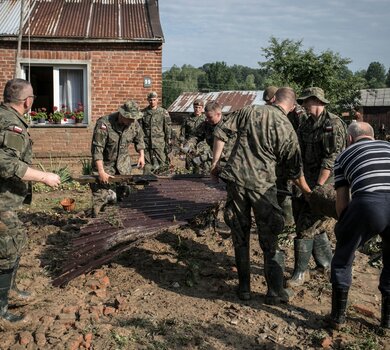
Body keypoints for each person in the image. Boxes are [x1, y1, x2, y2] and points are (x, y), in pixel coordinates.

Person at [211, 87, 312, 304]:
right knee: (270, 238)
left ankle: (244, 289)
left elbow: (220, 132)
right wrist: (307, 192)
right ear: (292, 107)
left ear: (273, 99)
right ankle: (275, 292)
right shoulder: (287, 128)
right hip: (263, 187)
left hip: (236, 182)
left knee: (240, 234)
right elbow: (295, 171)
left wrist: (215, 163)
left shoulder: (249, 111)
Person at [0, 78, 61, 323]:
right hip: (1, 203)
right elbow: (5, 164)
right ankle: (1, 311)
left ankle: (10, 291)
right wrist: (43, 176)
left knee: (15, 244)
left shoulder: (7, 118)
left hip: (7, 201)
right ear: (28, 101)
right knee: (6, 251)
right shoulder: (9, 124)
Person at [329, 122, 390, 330]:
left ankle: (338, 319)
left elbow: (342, 201)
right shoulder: (388, 147)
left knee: (342, 260)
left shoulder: (344, 155)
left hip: (368, 204)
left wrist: (344, 228)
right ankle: (387, 323)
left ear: (349, 139)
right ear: (373, 136)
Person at [288, 87, 347, 287]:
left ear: (317, 101)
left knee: (305, 226)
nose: (303, 105)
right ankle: (325, 264)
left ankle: (300, 273)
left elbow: (331, 159)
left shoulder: (333, 124)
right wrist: (300, 182)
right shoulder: (305, 124)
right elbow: (299, 153)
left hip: (325, 182)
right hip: (306, 181)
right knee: (313, 224)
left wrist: (317, 190)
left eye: (306, 101)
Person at [90, 100, 145, 217]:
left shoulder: (133, 123)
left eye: (134, 119)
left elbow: (139, 139)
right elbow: (97, 150)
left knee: (126, 197)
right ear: (122, 114)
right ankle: (95, 223)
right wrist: (101, 172)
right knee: (101, 197)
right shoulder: (104, 124)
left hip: (123, 166)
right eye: (130, 118)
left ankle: (121, 222)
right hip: (105, 165)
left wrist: (141, 155)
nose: (132, 121)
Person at [141, 91, 172, 174]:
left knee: (162, 164)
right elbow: (140, 129)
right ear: (148, 100)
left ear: (157, 100)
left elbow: (167, 128)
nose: (152, 102)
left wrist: (168, 140)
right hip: (147, 143)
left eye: (154, 100)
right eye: (150, 100)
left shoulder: (163, 112)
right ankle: (147, 182)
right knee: (147, 165)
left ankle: (164, 183)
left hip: (159, 143)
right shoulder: (143, 113)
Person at [179, 99, 206, 172]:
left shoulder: (205, 119)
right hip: (190, 144)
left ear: (202, 108)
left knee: (200, 163)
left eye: (199, 107)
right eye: (196, 107)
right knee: (189, 164)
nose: (197, 109)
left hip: (202, 144)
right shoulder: (188, 119)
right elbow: (182, 133)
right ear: (193, 108)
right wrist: (181, 145)